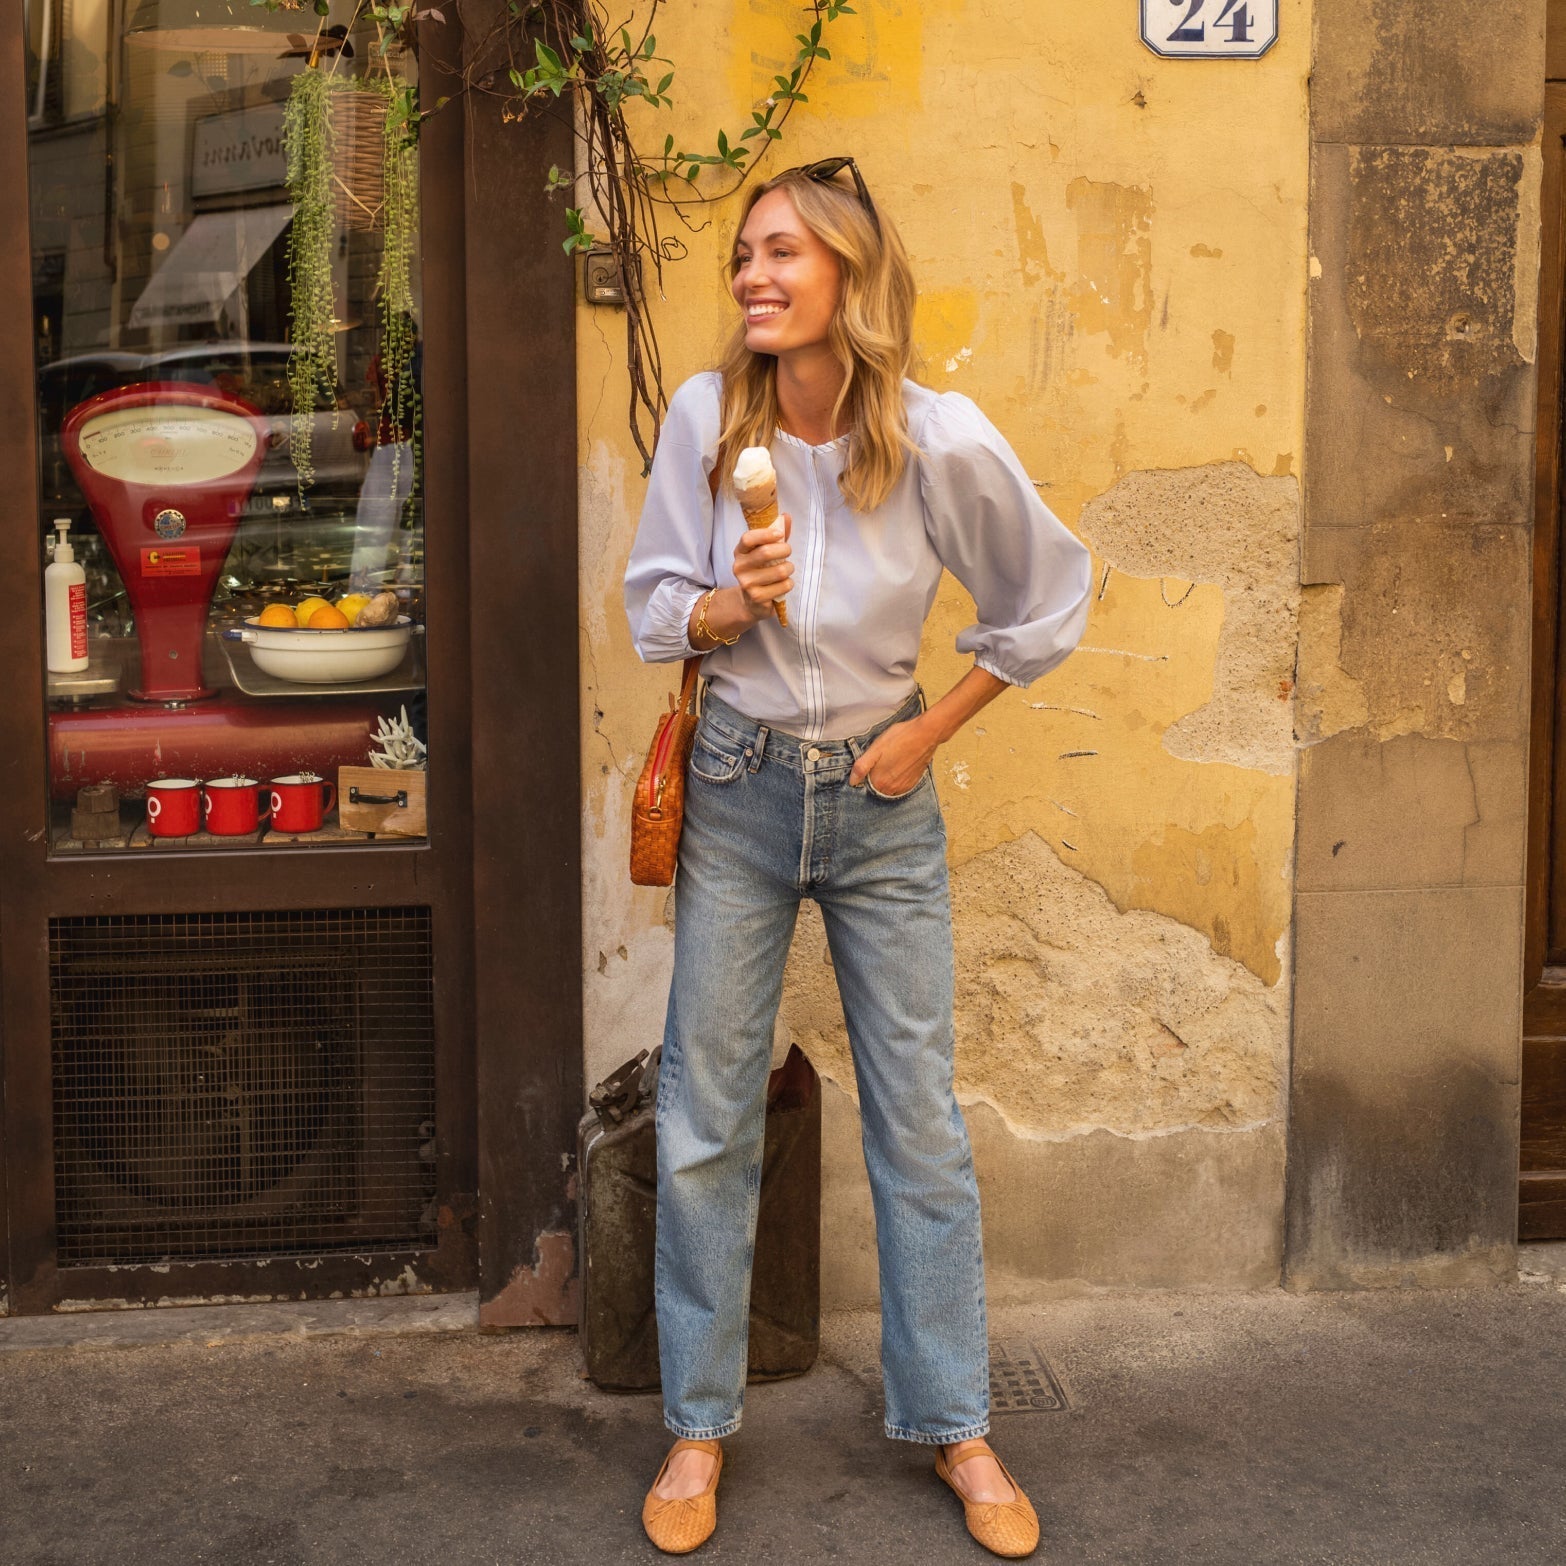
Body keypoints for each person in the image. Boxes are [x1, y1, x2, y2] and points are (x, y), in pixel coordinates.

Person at [622, 157, 1092, 1558]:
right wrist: (723, 604)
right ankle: (695, 1424)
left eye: (781, 254)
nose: (754, 278)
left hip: (881, 800)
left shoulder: (935, 438)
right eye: (741, 259)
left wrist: (929, 731)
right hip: (740, 786)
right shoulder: (710, 418)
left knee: (919, 1124)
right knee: (706, 1114)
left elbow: (1045, 598)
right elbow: (652, 604)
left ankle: (954, 1418)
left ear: (846, 274)